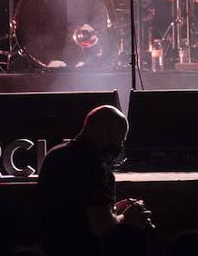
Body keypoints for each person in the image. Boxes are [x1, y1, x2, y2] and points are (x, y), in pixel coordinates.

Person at [38, 105, 154, 256]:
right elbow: (101, 226)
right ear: (107, 134)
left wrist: (114, 209)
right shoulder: (95, 165)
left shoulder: (55, 154)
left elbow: (78, 207)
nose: (120, 146)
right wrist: (127, 217)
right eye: (120, 139)